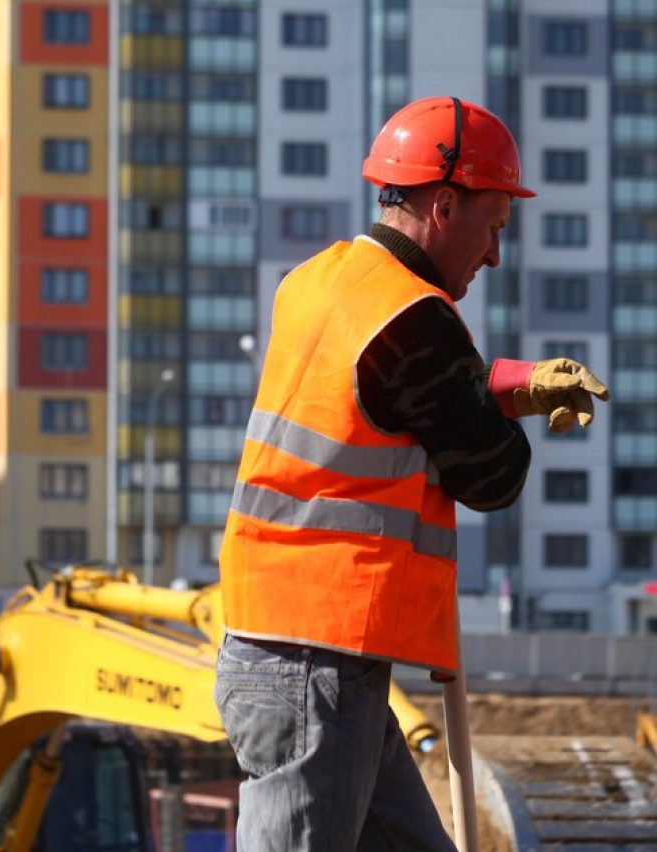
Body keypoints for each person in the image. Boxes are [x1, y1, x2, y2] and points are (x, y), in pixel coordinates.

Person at [214, 96, 610, 851]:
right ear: (444, 204)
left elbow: (386, 398)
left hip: (298, 652)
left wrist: (506, 385)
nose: (493, 255)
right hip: (315, 661)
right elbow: (494, 476)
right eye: (493, 229)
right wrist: (507, 406)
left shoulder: (321, 282)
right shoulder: (413, 317)